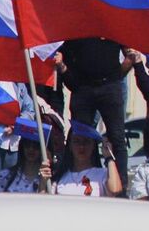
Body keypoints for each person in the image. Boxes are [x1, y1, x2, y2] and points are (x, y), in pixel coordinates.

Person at [55, 37, 138, 186]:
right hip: (82, 87)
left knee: (117, 137)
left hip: (109, 85)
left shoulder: (110, 22)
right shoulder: (77, 27)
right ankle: (73, 180)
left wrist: (117, 75)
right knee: (78, 136)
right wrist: (62, 67)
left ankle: (121, 186)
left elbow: (130, 53)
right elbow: (64, 58)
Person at [53, 124, 122, 196]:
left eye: (86, 141)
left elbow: (115, 190)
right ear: (70, 145)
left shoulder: (103, 174)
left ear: (93, 146)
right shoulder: (60, 178)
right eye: (76, 141)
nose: (81, 146)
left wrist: (109, 158)